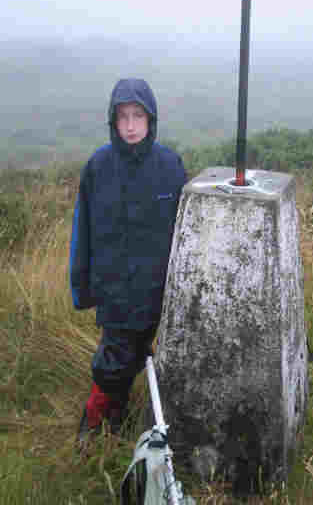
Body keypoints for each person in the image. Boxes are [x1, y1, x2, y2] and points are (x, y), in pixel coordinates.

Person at [70, 77, 186, 443]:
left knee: (154, 358)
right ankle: (98, 420)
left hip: (160, 289)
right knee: (115, 359)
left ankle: (150, 423)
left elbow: (186, 228)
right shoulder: (98, 166)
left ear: (151, 120)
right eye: (124, 117)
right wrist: (82, 287)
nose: (131, 125)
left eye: (139, 115)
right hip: (116, 287)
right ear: (113, 121)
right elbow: (82, 230)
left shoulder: (170, 165)